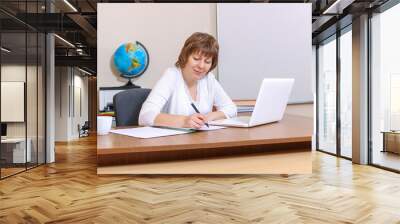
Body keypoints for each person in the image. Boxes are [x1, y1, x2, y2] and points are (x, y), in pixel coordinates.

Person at [139, 32, 237, 129]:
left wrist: (208, 117)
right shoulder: (171, 76)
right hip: (173, 141)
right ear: (185, 56)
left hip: (201, 141)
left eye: (207, 61)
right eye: (196, 58)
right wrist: (184, 121)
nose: (201, 66)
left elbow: (231, 109)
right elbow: (145, 116)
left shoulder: (209, 79)